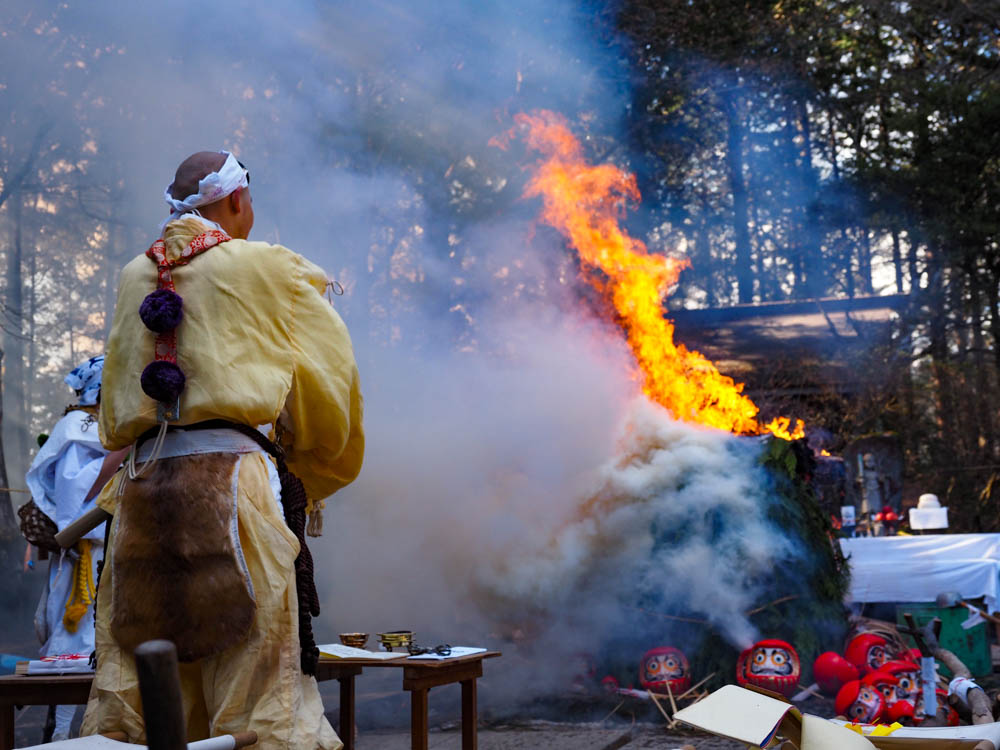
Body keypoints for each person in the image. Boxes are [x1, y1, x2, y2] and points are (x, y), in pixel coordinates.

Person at [80, 151, 364, 749]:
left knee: (144, 680)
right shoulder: (268, 267)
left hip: (139, 488)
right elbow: (329, 384)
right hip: (236, 488)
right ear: (238, 200)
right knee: (256, 687)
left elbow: (113, 405)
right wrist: (307, 467)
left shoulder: (135, 274)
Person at [24, 356, 127, 741]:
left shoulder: (107, 428)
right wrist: (121, 456)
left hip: (113, 555)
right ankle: (62, 737)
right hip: (85, 558)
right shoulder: (76, 428)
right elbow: (73, 493)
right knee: (76, 649)